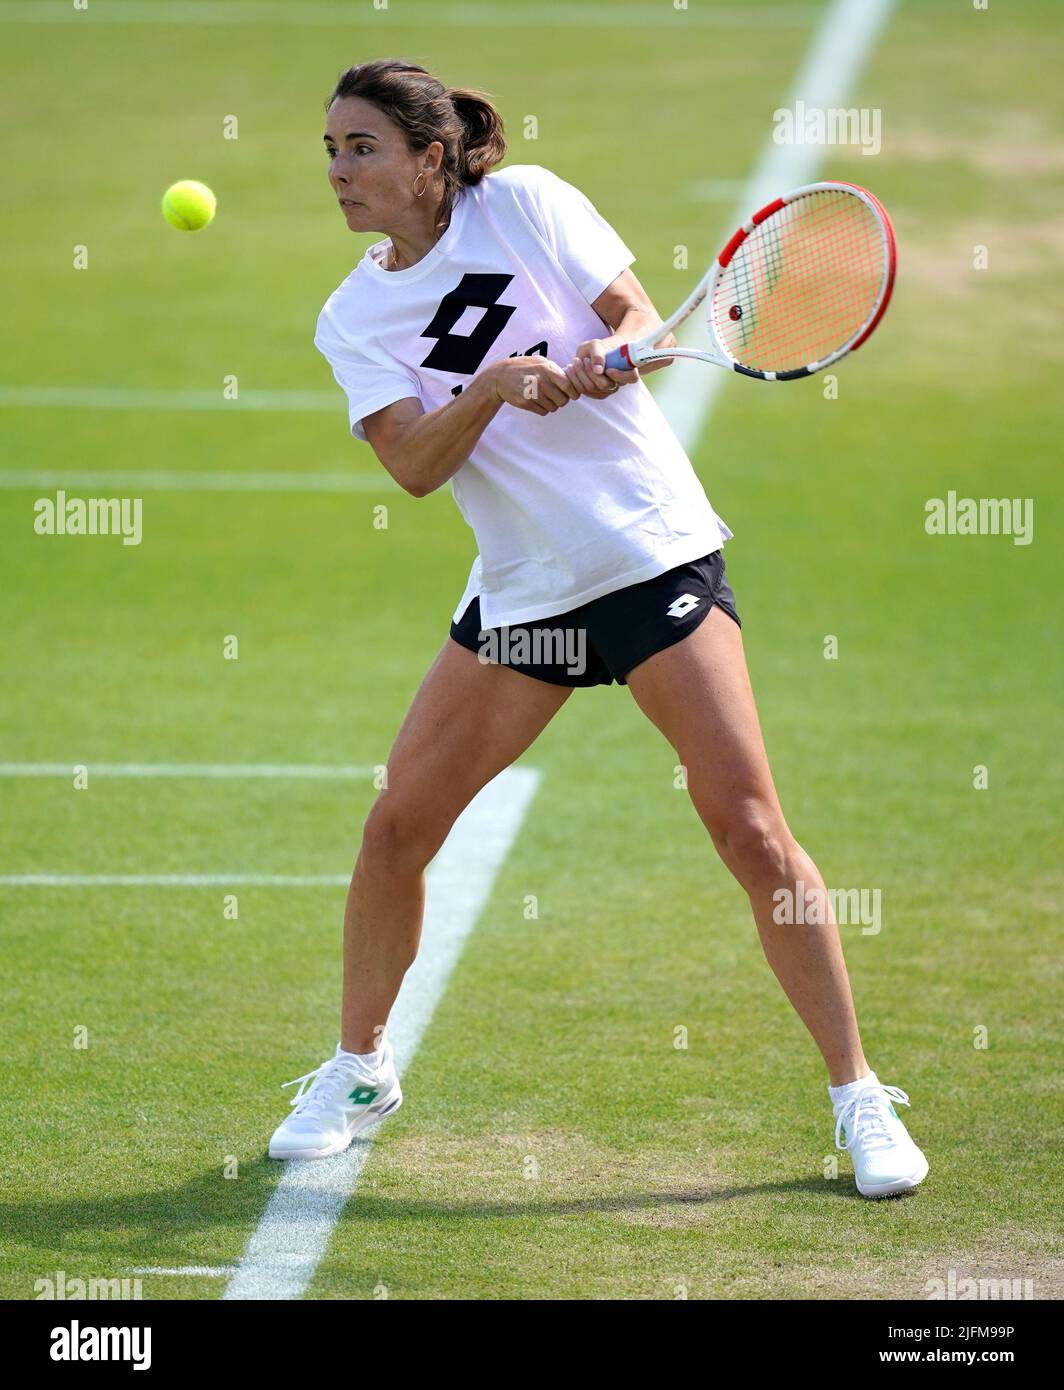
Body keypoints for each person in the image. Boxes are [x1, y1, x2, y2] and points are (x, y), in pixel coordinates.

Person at [268, 58, 928, 1200]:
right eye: (330, 149)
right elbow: (415, 467)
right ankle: (359, 1067)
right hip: (524, 590)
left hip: (644, 555)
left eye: (361, 147)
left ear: (431, 159)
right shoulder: (351, 315)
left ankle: (857, 1095)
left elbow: (631, 314)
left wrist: (608, 351)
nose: (339, 170)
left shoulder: (526, 204)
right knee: (395, 829)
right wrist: (492, 387)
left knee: (750, 831)